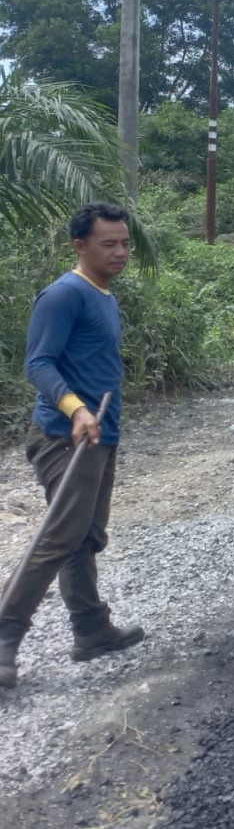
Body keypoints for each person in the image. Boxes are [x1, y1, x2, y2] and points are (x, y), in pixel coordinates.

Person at [2, 203, 145, 690]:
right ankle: (5, 635)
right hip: (66, 438)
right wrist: (76, 408)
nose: (121, 251)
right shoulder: (64, 296)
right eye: (109, 243)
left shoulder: (104, 294)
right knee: (60, 537)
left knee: (84, 539)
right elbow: (38, 364)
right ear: (80, 246)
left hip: (100, 437)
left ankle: (91, 630)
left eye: (124, 242)